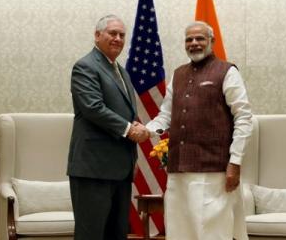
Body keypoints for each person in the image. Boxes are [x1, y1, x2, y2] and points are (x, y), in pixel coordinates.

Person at [146, 21, 252, 240]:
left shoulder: (227, 71)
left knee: (212, 233)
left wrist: (235, 162)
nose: (194, 43)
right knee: (178, 232)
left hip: (214, 171)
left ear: (212, 42)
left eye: (200, 38)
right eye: (189, 39)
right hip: (178, 171)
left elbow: (243, 117)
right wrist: (145, 130)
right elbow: (166, 114)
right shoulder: (178, 74)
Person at [67, 14, 149, 240]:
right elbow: (93, 108)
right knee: (91, 234)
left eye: (122, 35)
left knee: (117, 234)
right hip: (93, 169)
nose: (118, 39)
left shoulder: (121, 71)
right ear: (97, 35)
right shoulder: (85, 66)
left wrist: (133, 138)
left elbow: (125, 113)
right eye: (112, 33)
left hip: (120, 169)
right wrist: (130, 129)